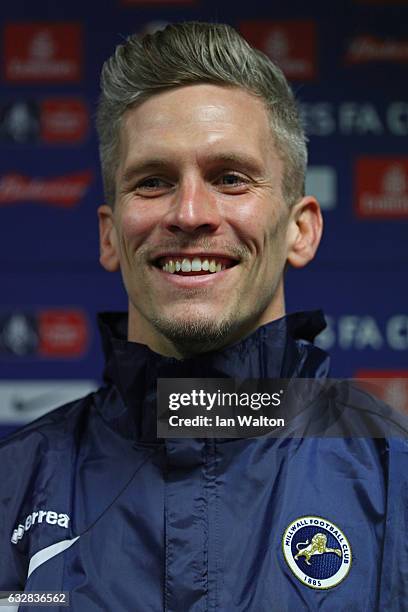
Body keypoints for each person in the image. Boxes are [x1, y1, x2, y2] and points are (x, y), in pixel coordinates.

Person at [0, 22, 407, 612]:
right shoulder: (14, 486)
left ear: (302, 229)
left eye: (231, 178)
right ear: (110, 237)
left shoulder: (394, 476)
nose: (190, 213)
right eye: (154, 181)